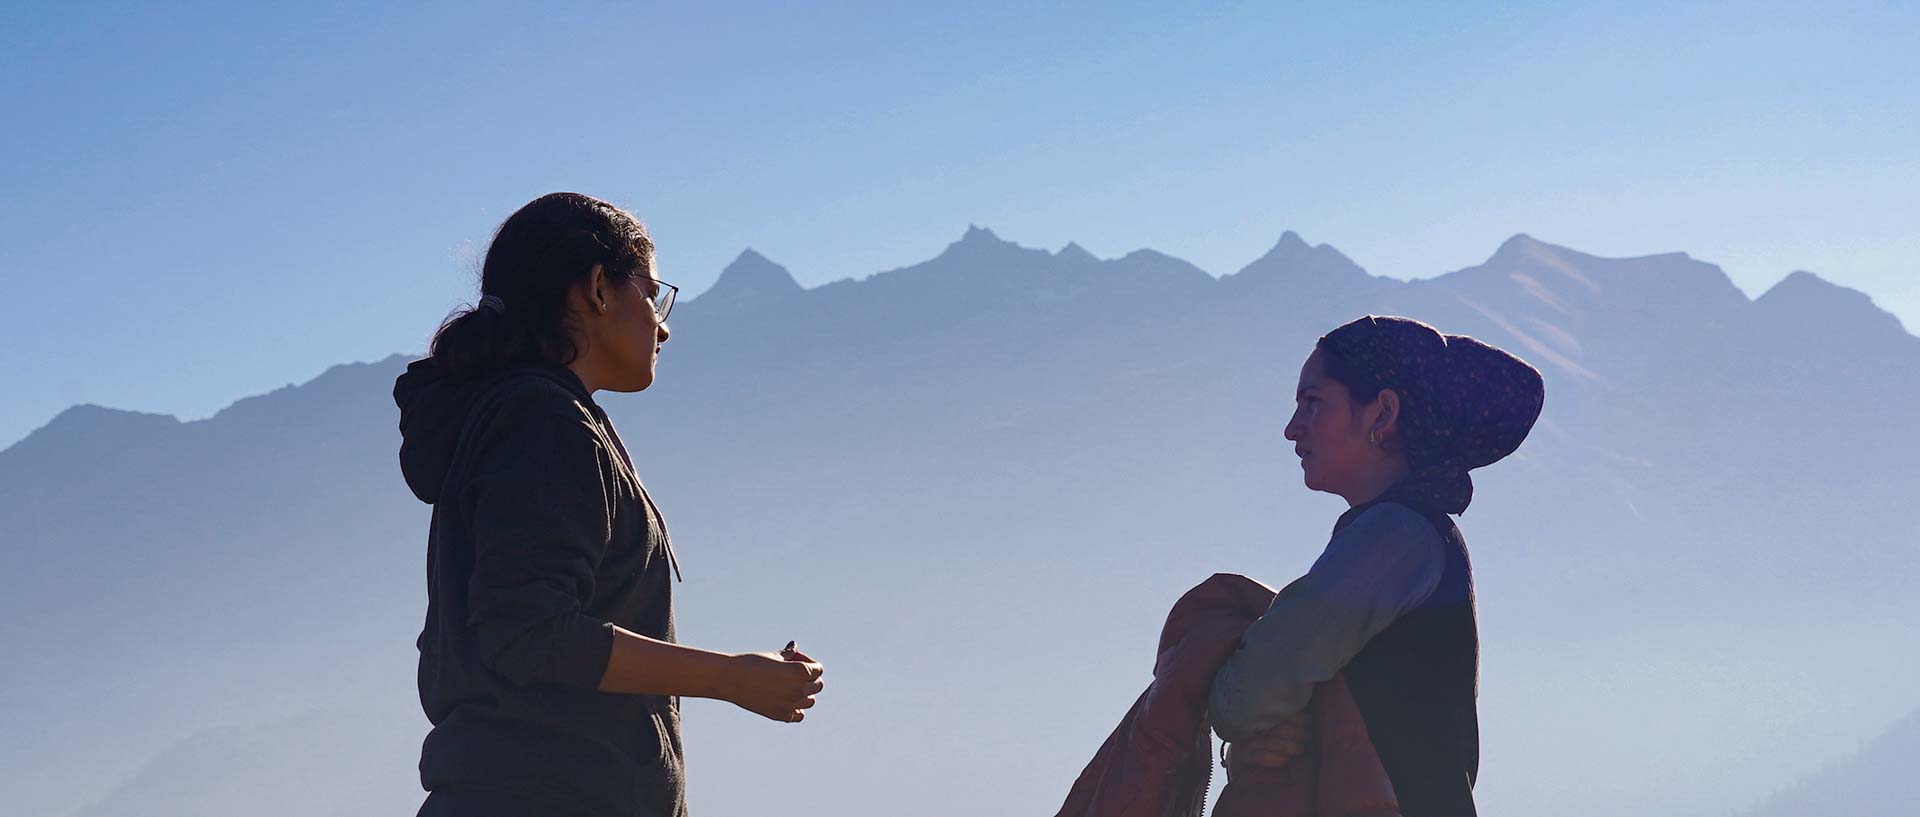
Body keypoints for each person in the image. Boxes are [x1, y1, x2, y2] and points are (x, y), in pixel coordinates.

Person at [394, 192, 824, 817]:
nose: (663, 322)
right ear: (597, 289)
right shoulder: (543, 424)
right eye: (652, 293)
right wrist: (729, 677)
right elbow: (530, 632)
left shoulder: (519, 418)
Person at [1208, 315, 1544, 816]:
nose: (1292, 428)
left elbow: (1247, 697)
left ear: (1381, 413)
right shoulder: (1411, 534)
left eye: (1313, 403)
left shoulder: (1394, 537)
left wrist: (1262, 720)